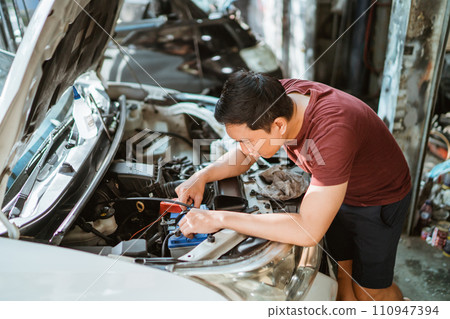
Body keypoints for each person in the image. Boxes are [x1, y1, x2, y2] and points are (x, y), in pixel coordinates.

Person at [175, 70, 411, 301]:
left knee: (370, 293)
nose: (243, 148)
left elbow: (307, 230)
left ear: (278, 126)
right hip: (332, 190)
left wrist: (219, 218)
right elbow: (244, 157)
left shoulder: (332, 133)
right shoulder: (273, 98)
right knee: (344, 283)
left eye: (247, 140)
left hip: (376, 199)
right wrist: (201, 177)